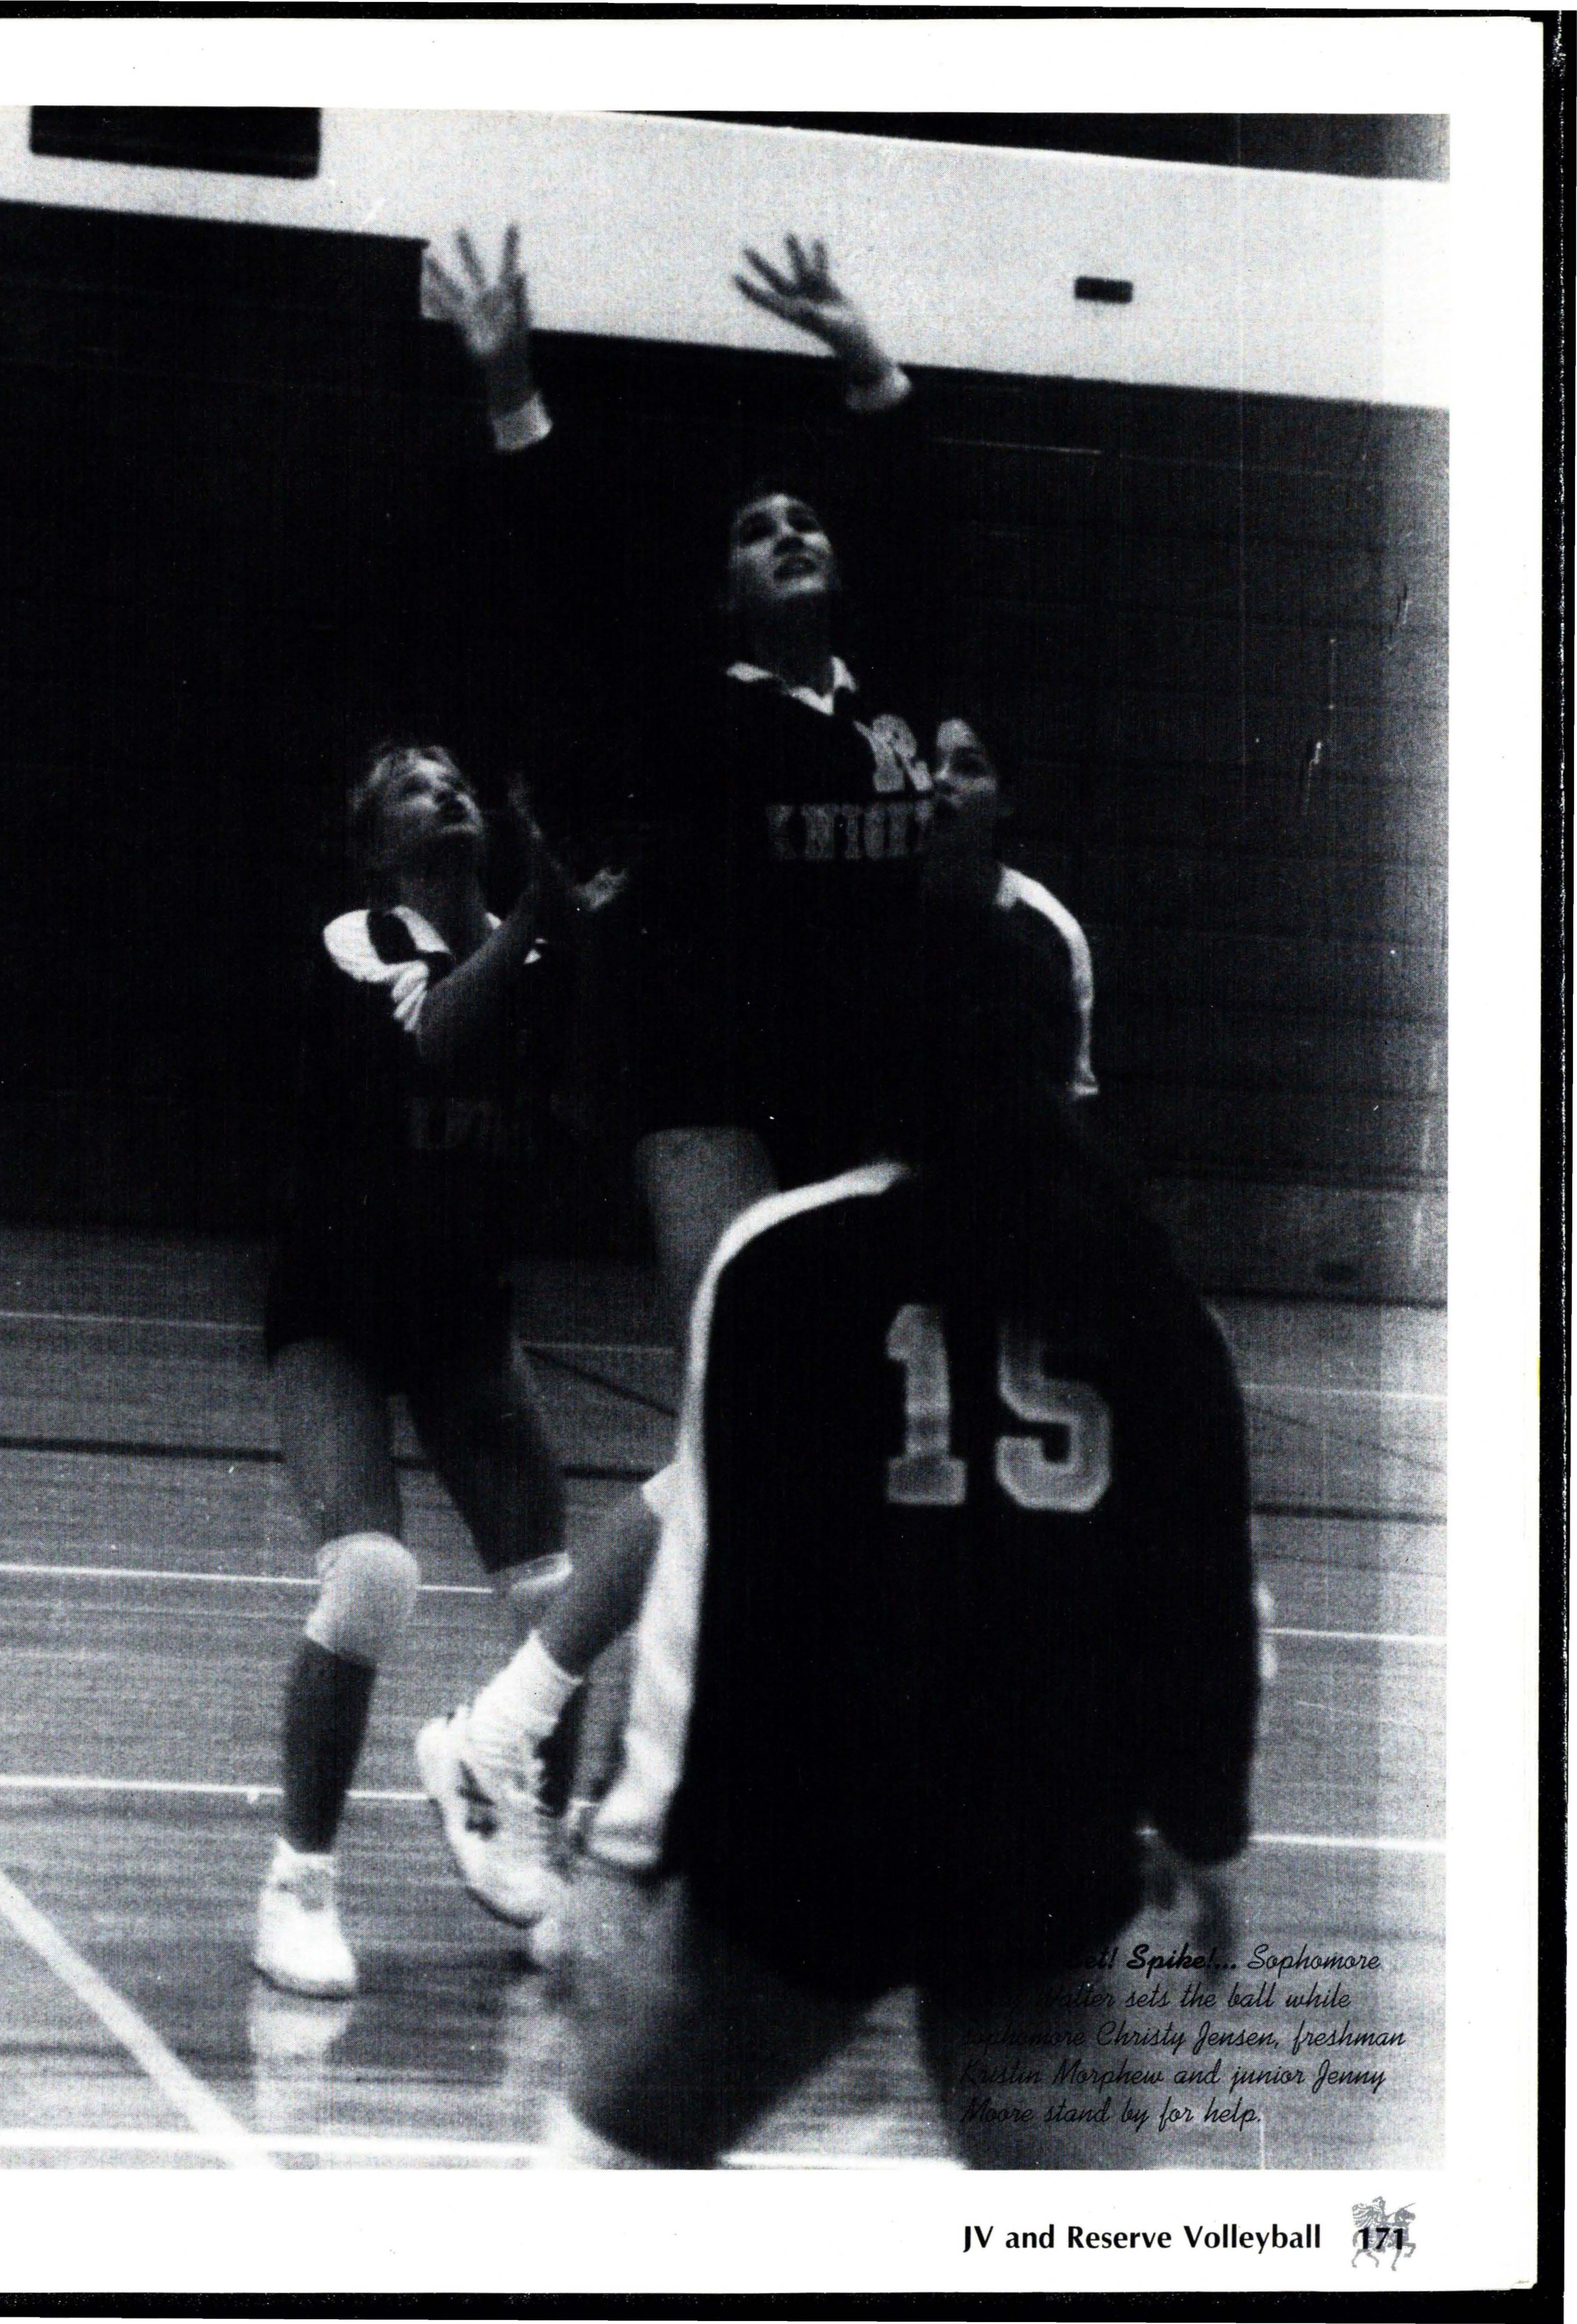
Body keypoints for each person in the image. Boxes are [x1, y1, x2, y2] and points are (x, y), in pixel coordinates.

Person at [416, 225, 1099, 1931]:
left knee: (774, 1465)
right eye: (753, 530)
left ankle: (569, 1775)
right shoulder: (692, 709)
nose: (787, 533)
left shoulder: (890, 716)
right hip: (706, 1099)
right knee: (742, 1435)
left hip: (857, 1118)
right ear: (725, 594)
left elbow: (933, 534)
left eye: (805, 520)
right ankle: (520, 1749)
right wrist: (510, 387)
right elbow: (563, 566)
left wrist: (868, 366)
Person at [537, 840, 1257, 2166]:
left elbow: (703, 1598)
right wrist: (1205, 1832)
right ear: (1066, 1064)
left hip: (811, 1846)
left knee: (603, 2173)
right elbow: (1210, 1605)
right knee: (1092, 2236)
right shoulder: (1153, 1292)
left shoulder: (785, 1261)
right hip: (1037, 1846)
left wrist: (621, 1858)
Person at [253, 740, 619, 1995]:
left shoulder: (542, 952)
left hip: (464, 1316)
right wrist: (546, 905)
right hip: (337, 1312)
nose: (447, 792)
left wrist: (603, 935)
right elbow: (443, 1042)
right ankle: (299, 1885)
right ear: (375, 844)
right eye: (414, 786)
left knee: (557, 1595)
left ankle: (531, 1844)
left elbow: (591, 1096)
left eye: (458, 778)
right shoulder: (360, 942)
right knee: (371, 1577)